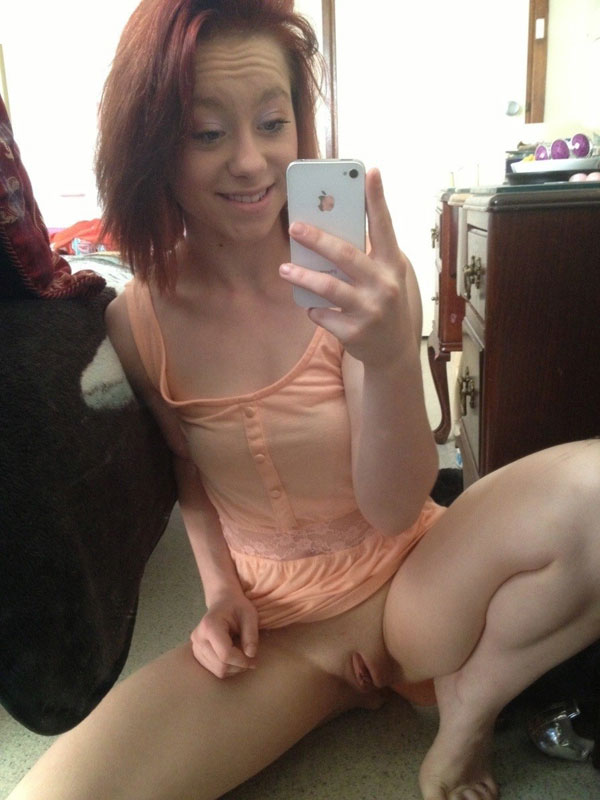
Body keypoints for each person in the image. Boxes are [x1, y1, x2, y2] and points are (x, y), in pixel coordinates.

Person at [9, 1, 600, 799]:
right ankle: (367, 689)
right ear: (153, 147)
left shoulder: (357, 280)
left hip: (421, 584)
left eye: (273, 122)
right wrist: (220, 593)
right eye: (207, 133)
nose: (251, 162)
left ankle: (466, 714)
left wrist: (387, 356)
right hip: (281, 634)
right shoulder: (136, 319)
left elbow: (395, 506)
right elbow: (189, 474)